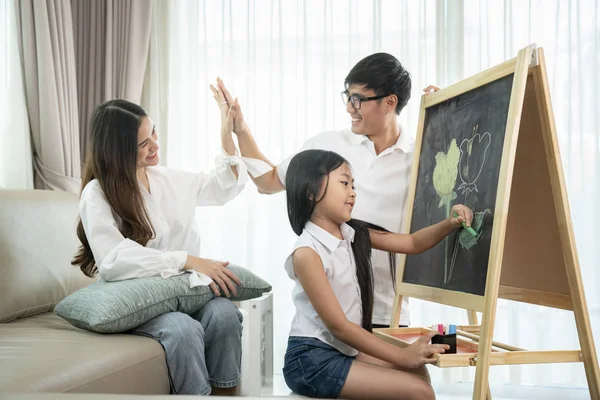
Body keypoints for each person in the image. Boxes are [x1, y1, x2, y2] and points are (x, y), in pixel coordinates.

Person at [211, 52, 439, 329]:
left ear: (390, 102)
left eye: (358, 99)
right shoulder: (329, 146)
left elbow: (464, 186)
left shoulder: (421, 156)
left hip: (390, 311)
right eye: (348, 96)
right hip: (333, 311)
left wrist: (449, 116)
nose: (349, 108)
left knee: (415, 374)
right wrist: (241, 129)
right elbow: (268, 182)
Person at [71, 99, 247, 396]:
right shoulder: (97, 193)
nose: (154, 144)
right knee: (183, 330)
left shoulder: (169, 179)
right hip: (139, 300)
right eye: (143, 143)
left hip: (183, 292)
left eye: (154, 133)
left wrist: (225, 135)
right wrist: (186, 260)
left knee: (225, 315)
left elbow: (223, 187)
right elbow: (114, 260)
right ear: (118, 150)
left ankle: (227, 394)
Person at [281, 149, 472, 400]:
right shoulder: (307, 253)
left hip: (340, 351)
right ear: (311, 191)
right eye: (344, 183)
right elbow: (339, 327)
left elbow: (412, 243)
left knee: (419, 373)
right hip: (310, 359)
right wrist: (402, 355)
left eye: (353, 185)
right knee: (420, 391)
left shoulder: (351, 233)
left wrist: (451, 223)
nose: (353, 192)